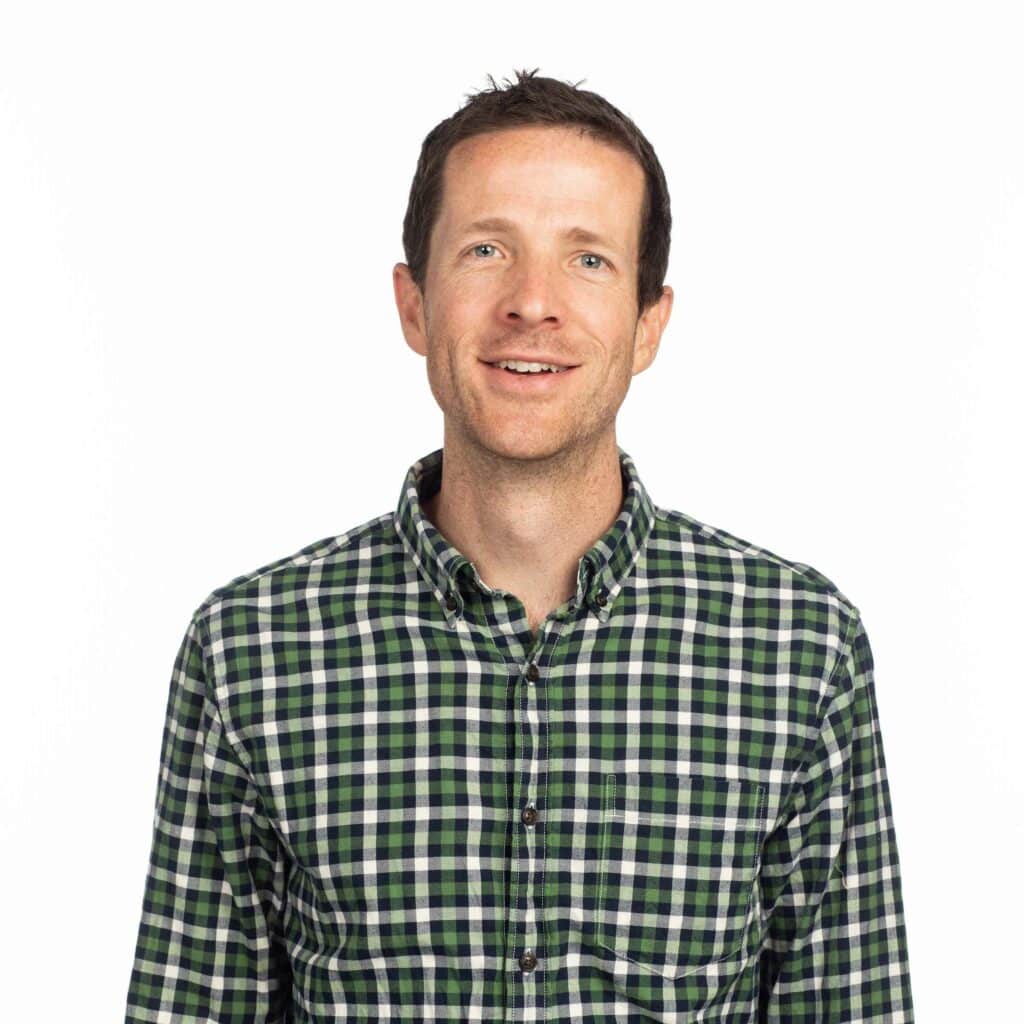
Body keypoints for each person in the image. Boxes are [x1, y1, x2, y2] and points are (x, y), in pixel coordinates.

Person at [125, 68, 914, 1022]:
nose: (532, 303)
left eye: (588, 260)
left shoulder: (800, 649)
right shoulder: (249, 651)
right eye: (488, 249)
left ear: (649, 323)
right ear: (413, 305)